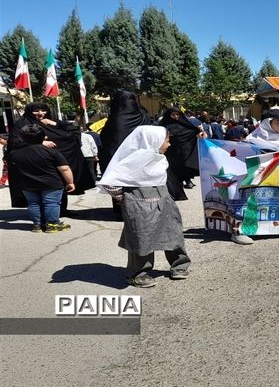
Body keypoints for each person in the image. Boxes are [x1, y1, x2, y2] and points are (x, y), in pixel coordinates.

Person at [98, 125, 192, 288]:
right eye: (167, 141)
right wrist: (126, 198)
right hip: (139, 205)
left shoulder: (158, 158)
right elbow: (110, 182)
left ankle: (179, 265)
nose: (169, 144)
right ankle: (138, 273)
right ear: (153, 140)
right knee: (141, 238)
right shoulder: (132, 160)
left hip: (163, 202)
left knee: (172, 232)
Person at [8, 102, 95, 215]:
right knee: (38, 192)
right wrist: (40, 142)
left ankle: (61, 210)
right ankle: (45, 217)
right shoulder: (22, 124)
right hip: (35, 162)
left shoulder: (52, 121)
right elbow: (14, 141)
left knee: (59, 186)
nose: (40, 113)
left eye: (43, 110)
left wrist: (53, 123)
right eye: (36, 111)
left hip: (56, 160)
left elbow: (74, 131)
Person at [8, 124, 75, 233]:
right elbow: (64, 169)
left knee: (33, 203)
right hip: (51, 183)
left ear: (21, 137)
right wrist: (70, 182)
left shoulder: (14, 153)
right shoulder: (52, 152)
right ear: (44, 137)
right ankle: (52, 224)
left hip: (27, 184)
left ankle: (37, 225)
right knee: (51, 203)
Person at [159, 107, 207, 189]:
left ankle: (187, 181)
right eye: (173, 114)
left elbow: (192, 131)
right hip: (169, 151)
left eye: (177, 114)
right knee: (172, 168)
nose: (176, 116)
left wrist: (200, 132)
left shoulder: (183, 124)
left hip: (182, 150)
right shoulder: (163, 125)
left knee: (183, 166)